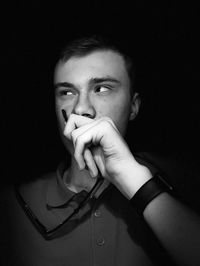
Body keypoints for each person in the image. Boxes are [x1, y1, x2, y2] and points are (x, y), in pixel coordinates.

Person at [1, 35, 200, 266]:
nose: (82, 108)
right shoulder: (11, 207)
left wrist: (136, 182)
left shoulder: (182, 185)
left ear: (134, 106)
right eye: (67, 92)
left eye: (102, 89)